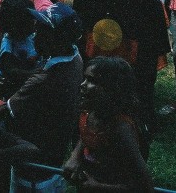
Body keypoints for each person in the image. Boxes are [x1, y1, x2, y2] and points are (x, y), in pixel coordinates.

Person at [73, 0, 169, 134]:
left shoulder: (148, 5)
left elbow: (148, 64)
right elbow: (79, 45)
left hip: (126, 94)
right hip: (90, 89)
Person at [7, 3, 85, 191]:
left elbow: (5, 113)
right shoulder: (74, 56)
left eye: (42, 30)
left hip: (33, 176)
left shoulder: (43, 79)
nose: (35, 34)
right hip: (53, 162)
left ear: (57, 38)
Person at [62, 57, 154, 192]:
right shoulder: (89, 113)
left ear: (112, 89)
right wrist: (75, 156)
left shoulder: (120, 129)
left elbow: (144, 186)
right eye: (85, 78)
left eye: (92, 81)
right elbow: (87, 134)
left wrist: (99, 187)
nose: (82, 84)